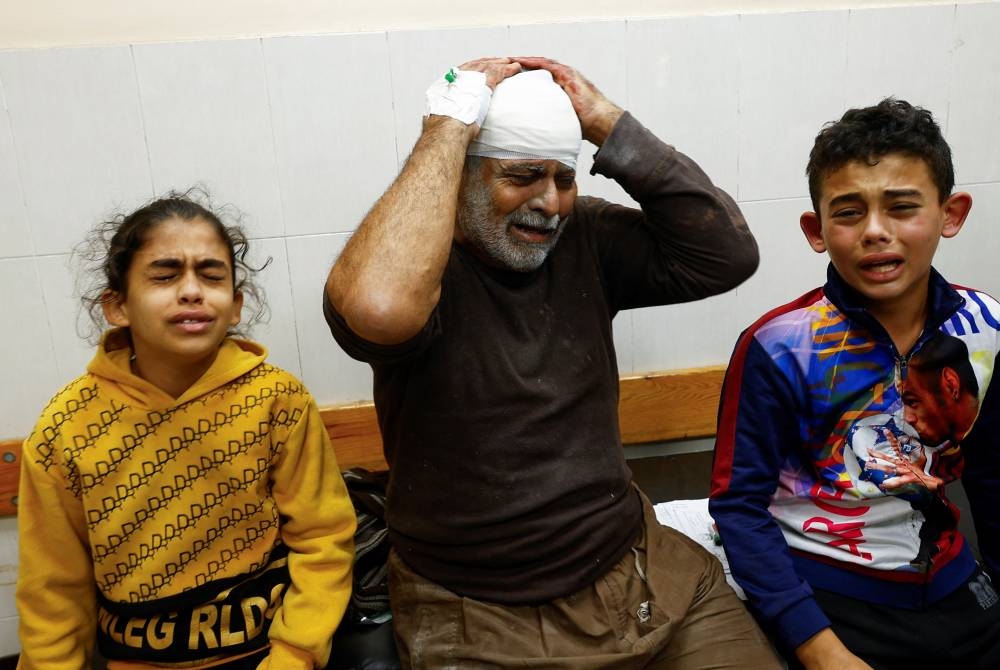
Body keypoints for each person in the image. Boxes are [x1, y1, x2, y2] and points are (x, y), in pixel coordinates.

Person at [324, 56, 780, 669]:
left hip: (641, 574)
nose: (551, 202)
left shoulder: (584, 236)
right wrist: (447, 126)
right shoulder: (413, 274)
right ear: (460, 175)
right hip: (476, 613)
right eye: (522, 175)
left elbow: (727, 254)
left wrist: (608, 125)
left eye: (563, 177)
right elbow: (378, 308)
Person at [709, 98, 1000, 670]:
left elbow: (992, 477)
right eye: (848, 212)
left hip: (948, 575)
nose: (875, 232)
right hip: (825, 594)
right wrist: (820, 651)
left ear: (951, 213)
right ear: (816, 230)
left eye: (901, 207)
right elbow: (739, 509)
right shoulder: (779, 345)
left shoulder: (986, 325)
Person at [16, 193, 357, 669]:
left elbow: (324, 539)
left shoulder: (277, 400)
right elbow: (52, 589)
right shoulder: (65, 429)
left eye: (212, 275)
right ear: (116, 306)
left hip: (269, 656)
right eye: (165, 274)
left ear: (235, 306)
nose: (192, 290)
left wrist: (295, 655)